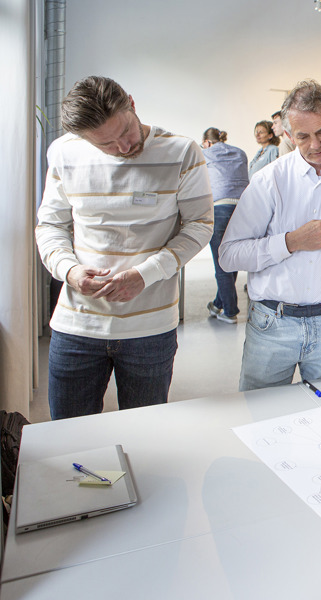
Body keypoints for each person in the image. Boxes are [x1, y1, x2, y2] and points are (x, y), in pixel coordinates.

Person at [35, 76, 212, 419]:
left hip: (150, 328)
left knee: (143, 434)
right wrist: (70, 272)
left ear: (131, 103)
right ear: (83, 139)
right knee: (70, 437)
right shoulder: (64, 152)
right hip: (77, 324)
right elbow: (51, 226)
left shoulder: (182, 152)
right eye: (106, 144)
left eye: (126, 131)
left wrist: (144, 275)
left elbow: (200, 225)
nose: (124, 147)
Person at [218, 79, 321, 391]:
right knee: (262, 413)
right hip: (272, 325)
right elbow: (229, 256)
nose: (315, 145)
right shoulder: (269, 180)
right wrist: (292, 241)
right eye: (302, 136)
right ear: (287, 134)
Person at [201, 127, 249, 323]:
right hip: (242, 209)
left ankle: (230, 311)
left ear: (207, 142)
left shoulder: (204, 153)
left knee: (221, 262)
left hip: (219, 208)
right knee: (231, 258)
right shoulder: (240, 153)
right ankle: (218, 304)